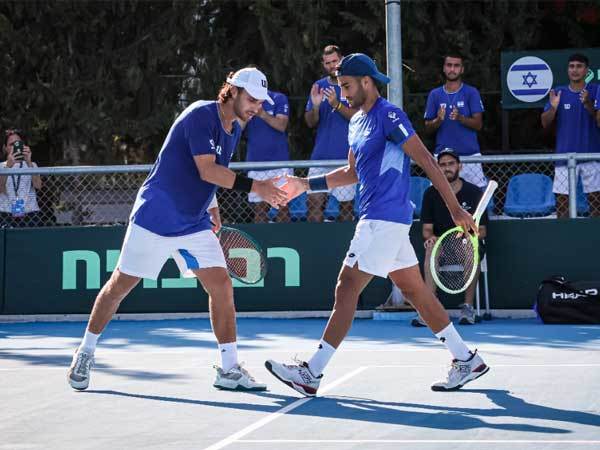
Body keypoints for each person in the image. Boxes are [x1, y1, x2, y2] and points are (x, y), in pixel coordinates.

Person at [266, 54, 489, 396]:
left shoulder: (389, 115)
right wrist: (304, 184)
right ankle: (466, 359)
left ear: (366, 82)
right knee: (415, 292)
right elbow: (351, 173)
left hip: (383, 218)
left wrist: (456, 208)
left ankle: (312, 371)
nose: (343, 94)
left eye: (347, 86)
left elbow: (426, 160)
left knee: (346, 287)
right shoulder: (356, 122)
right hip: (380, 218)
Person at [67, 67, 288, 392]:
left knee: (222, 286)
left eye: (260, 102)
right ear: (233, 91)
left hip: (194, 222)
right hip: (156, 215)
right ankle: (85, 351)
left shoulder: (233, 130)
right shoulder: (200, 114)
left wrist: (212, 207)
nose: (256, 107)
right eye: (252, 99)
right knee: (119, 286)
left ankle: (229, 369)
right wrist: (258, 187)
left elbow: (212, 174)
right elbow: (207, 170)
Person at [411, 148, 488, 327]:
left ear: (460, 166)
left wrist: (469, 236)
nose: (447, 168)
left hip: (467, 243)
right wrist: (431, 239)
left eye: (451, 164)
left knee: (471, 249)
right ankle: (430, 309)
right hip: (442, 245)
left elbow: (482, 230)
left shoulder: (474, 192)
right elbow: (427, 230)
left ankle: (468, 308)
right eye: (442, 165)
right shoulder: (431, 194)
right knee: (431, 248)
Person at [541, 53, 600, 218]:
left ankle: (595, 232)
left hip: (591, 155)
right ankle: (563, 233)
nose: (575, 70)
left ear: (586, 71)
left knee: (596, 201)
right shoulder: (559, 92)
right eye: (571, 66)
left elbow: (598, 120)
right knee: (562, 203)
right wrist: (553, 108)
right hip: (564, 156)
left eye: (579, 66)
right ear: (568, 70)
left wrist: (588, 103)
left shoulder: (595, 90)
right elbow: (545, 122)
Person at [305, 44, 358, 222]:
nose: (332, 66)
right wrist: (316, 107)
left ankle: (346, 241)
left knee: (346, 208)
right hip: (320, 159)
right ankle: (316, 241)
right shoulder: (318, 86)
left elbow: (358, 117)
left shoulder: (352, 84)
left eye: (335, 61)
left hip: (346, 159)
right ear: (323, 64)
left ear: (342, 60)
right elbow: (310, 122)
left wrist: (336, 104)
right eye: (327, 63)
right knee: (313, 204)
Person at [424, 53, 486, 188]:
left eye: (456, 66)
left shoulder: (471, 92)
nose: (452, 69)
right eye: (449, 65)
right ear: (444, 68)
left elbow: (478, 124)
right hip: (443, 157)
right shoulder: (435, 94)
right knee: (439, 194)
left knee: (476, 196)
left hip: (469, 156)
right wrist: (438, 120)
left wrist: (460, 118)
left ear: (462, 69)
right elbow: (427, 128)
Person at [244, 88, 291, 223]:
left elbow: (281, 125)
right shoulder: (244, 101)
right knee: (260, 210)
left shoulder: (278, 98)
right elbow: (237, 128)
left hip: (279, 164)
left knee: (283, 207)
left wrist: (262, 113)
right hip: (255, 164)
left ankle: (285, 236)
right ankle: (261, 238)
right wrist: (247, 112)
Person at [0, 129, 43, 227]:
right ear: (5, 148)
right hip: (5, 212)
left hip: (30, 212)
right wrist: (8, 167)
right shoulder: (1, 167)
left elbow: (38, 186)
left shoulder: (32, 165)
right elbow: (0, 189)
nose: (15, 147)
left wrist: (29, 162)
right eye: (12, 144)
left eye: (18, 143)